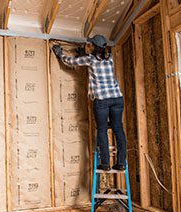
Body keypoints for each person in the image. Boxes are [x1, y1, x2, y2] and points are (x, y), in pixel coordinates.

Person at [52, 34, 126, 171]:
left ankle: (105, 164)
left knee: (102, 130)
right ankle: (121, 163)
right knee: (118, 129)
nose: (88, 46)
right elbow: (94, 61)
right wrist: (82, 54)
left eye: (89, 44)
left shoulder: (90, 60)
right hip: (117, 98)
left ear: (93, 47)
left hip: (102, 100)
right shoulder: (109, 58)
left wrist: (60, 54)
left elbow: (71, 62)